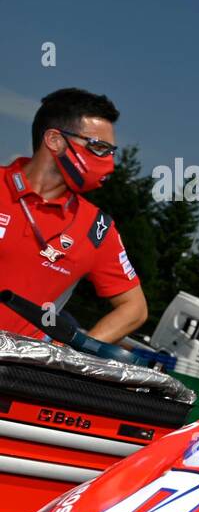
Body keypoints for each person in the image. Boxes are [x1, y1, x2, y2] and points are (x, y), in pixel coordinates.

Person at [0, 89, 146, 343]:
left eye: (111, 151)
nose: (109, 163)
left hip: (13, 375)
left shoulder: (96, 227)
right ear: (55, 140)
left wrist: (67, 354)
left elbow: (134, 309)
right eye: (98, 147)